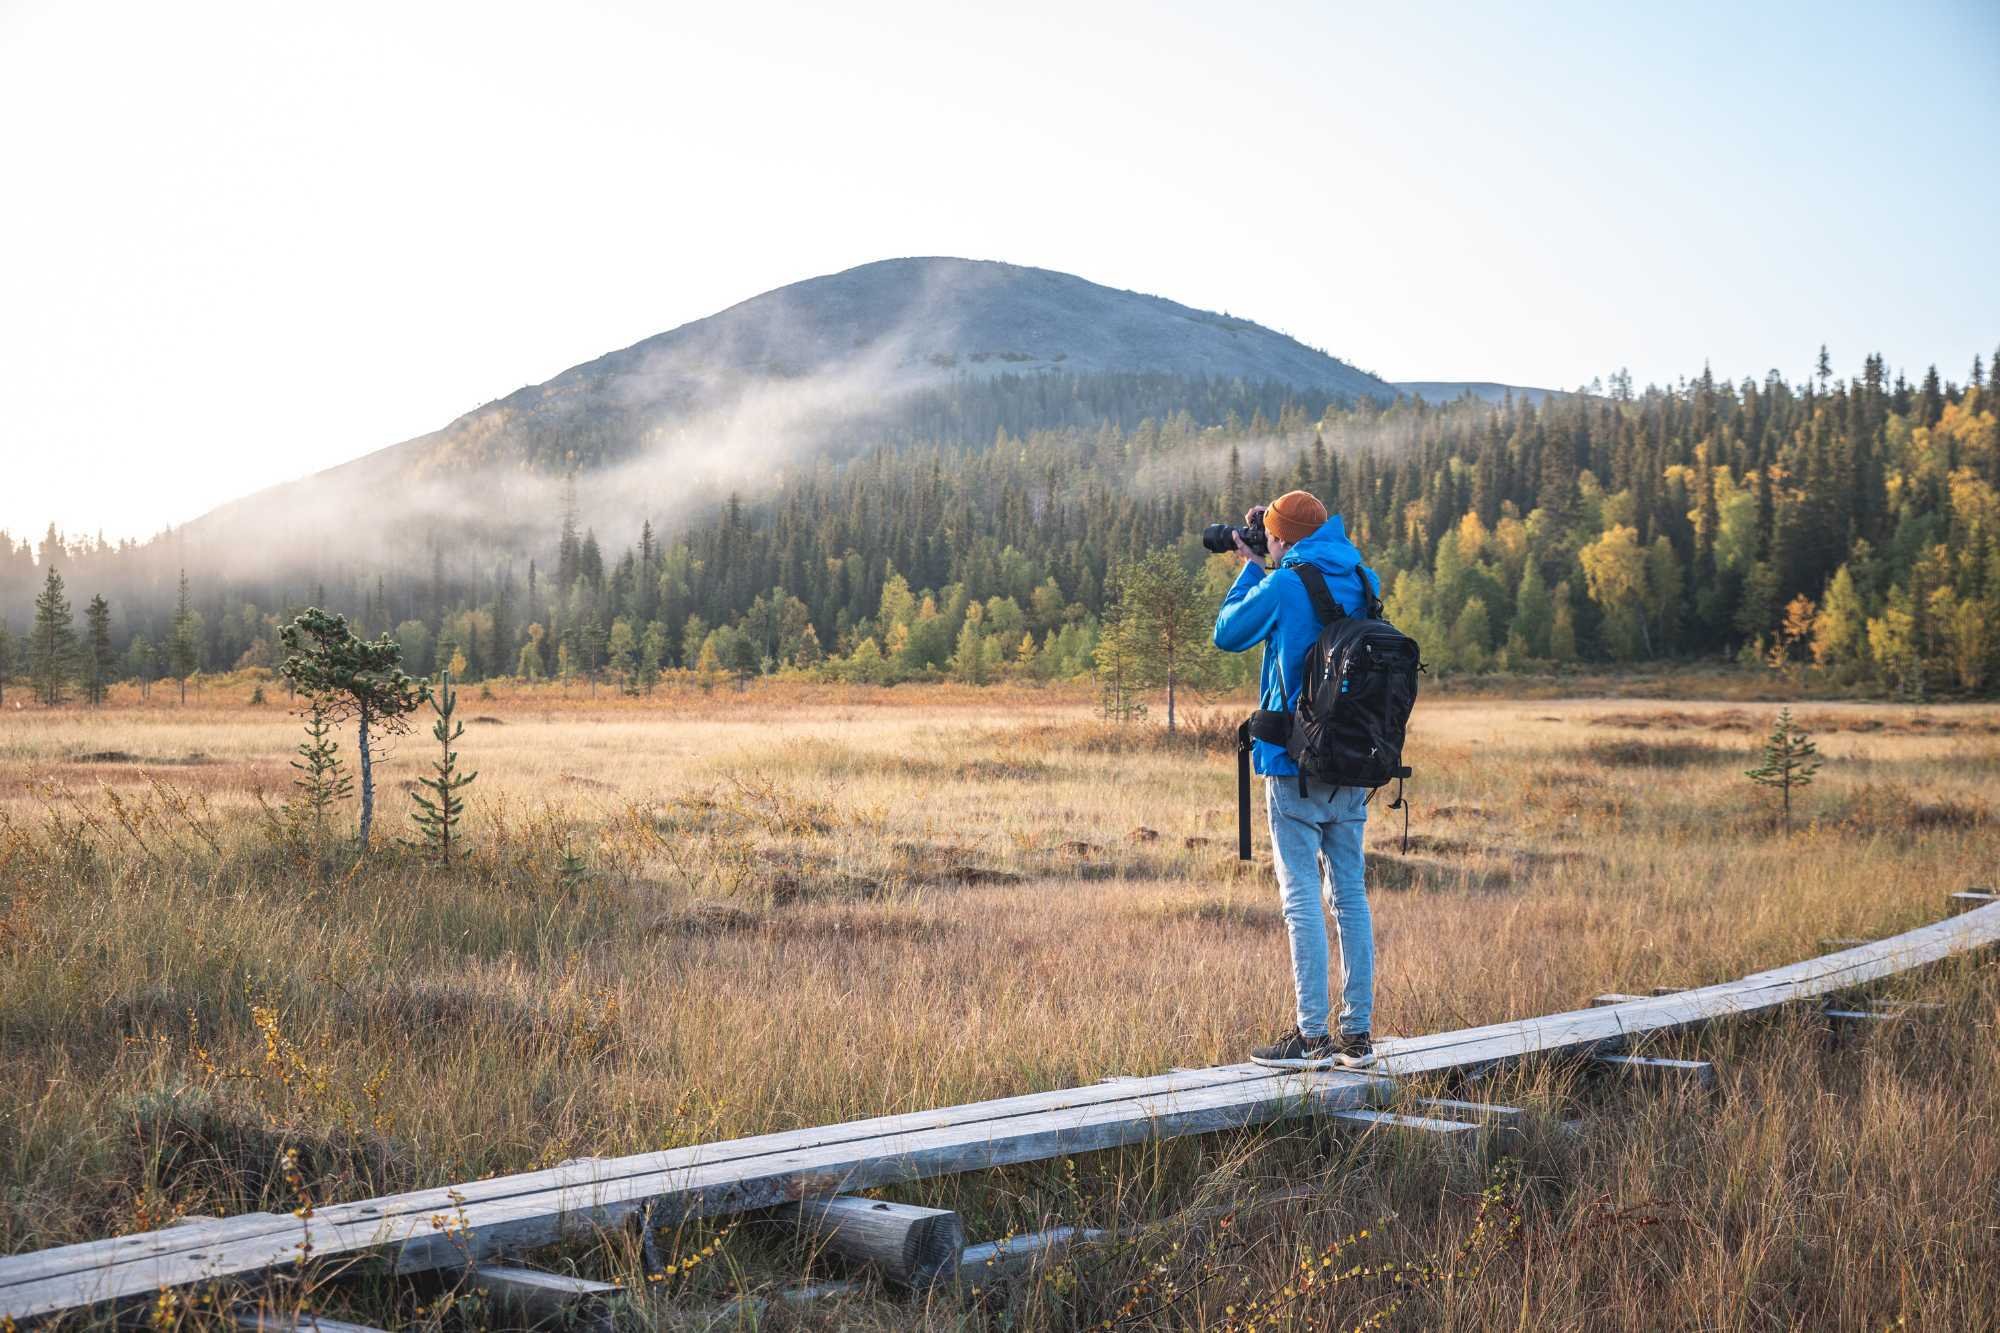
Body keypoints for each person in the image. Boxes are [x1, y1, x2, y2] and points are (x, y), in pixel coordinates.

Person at [1212, 489, 1383, 1069]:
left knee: (1301, 902)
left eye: (1274, 536)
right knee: (1351, 897)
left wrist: (1250, 568)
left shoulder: (1284, 583)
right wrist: (1274, 551)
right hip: (1354, 762)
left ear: (1282, 539)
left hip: (1294, 763)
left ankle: (1311, 1038)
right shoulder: (1363, 576)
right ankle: (1357, 1034)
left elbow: (1229, 633)